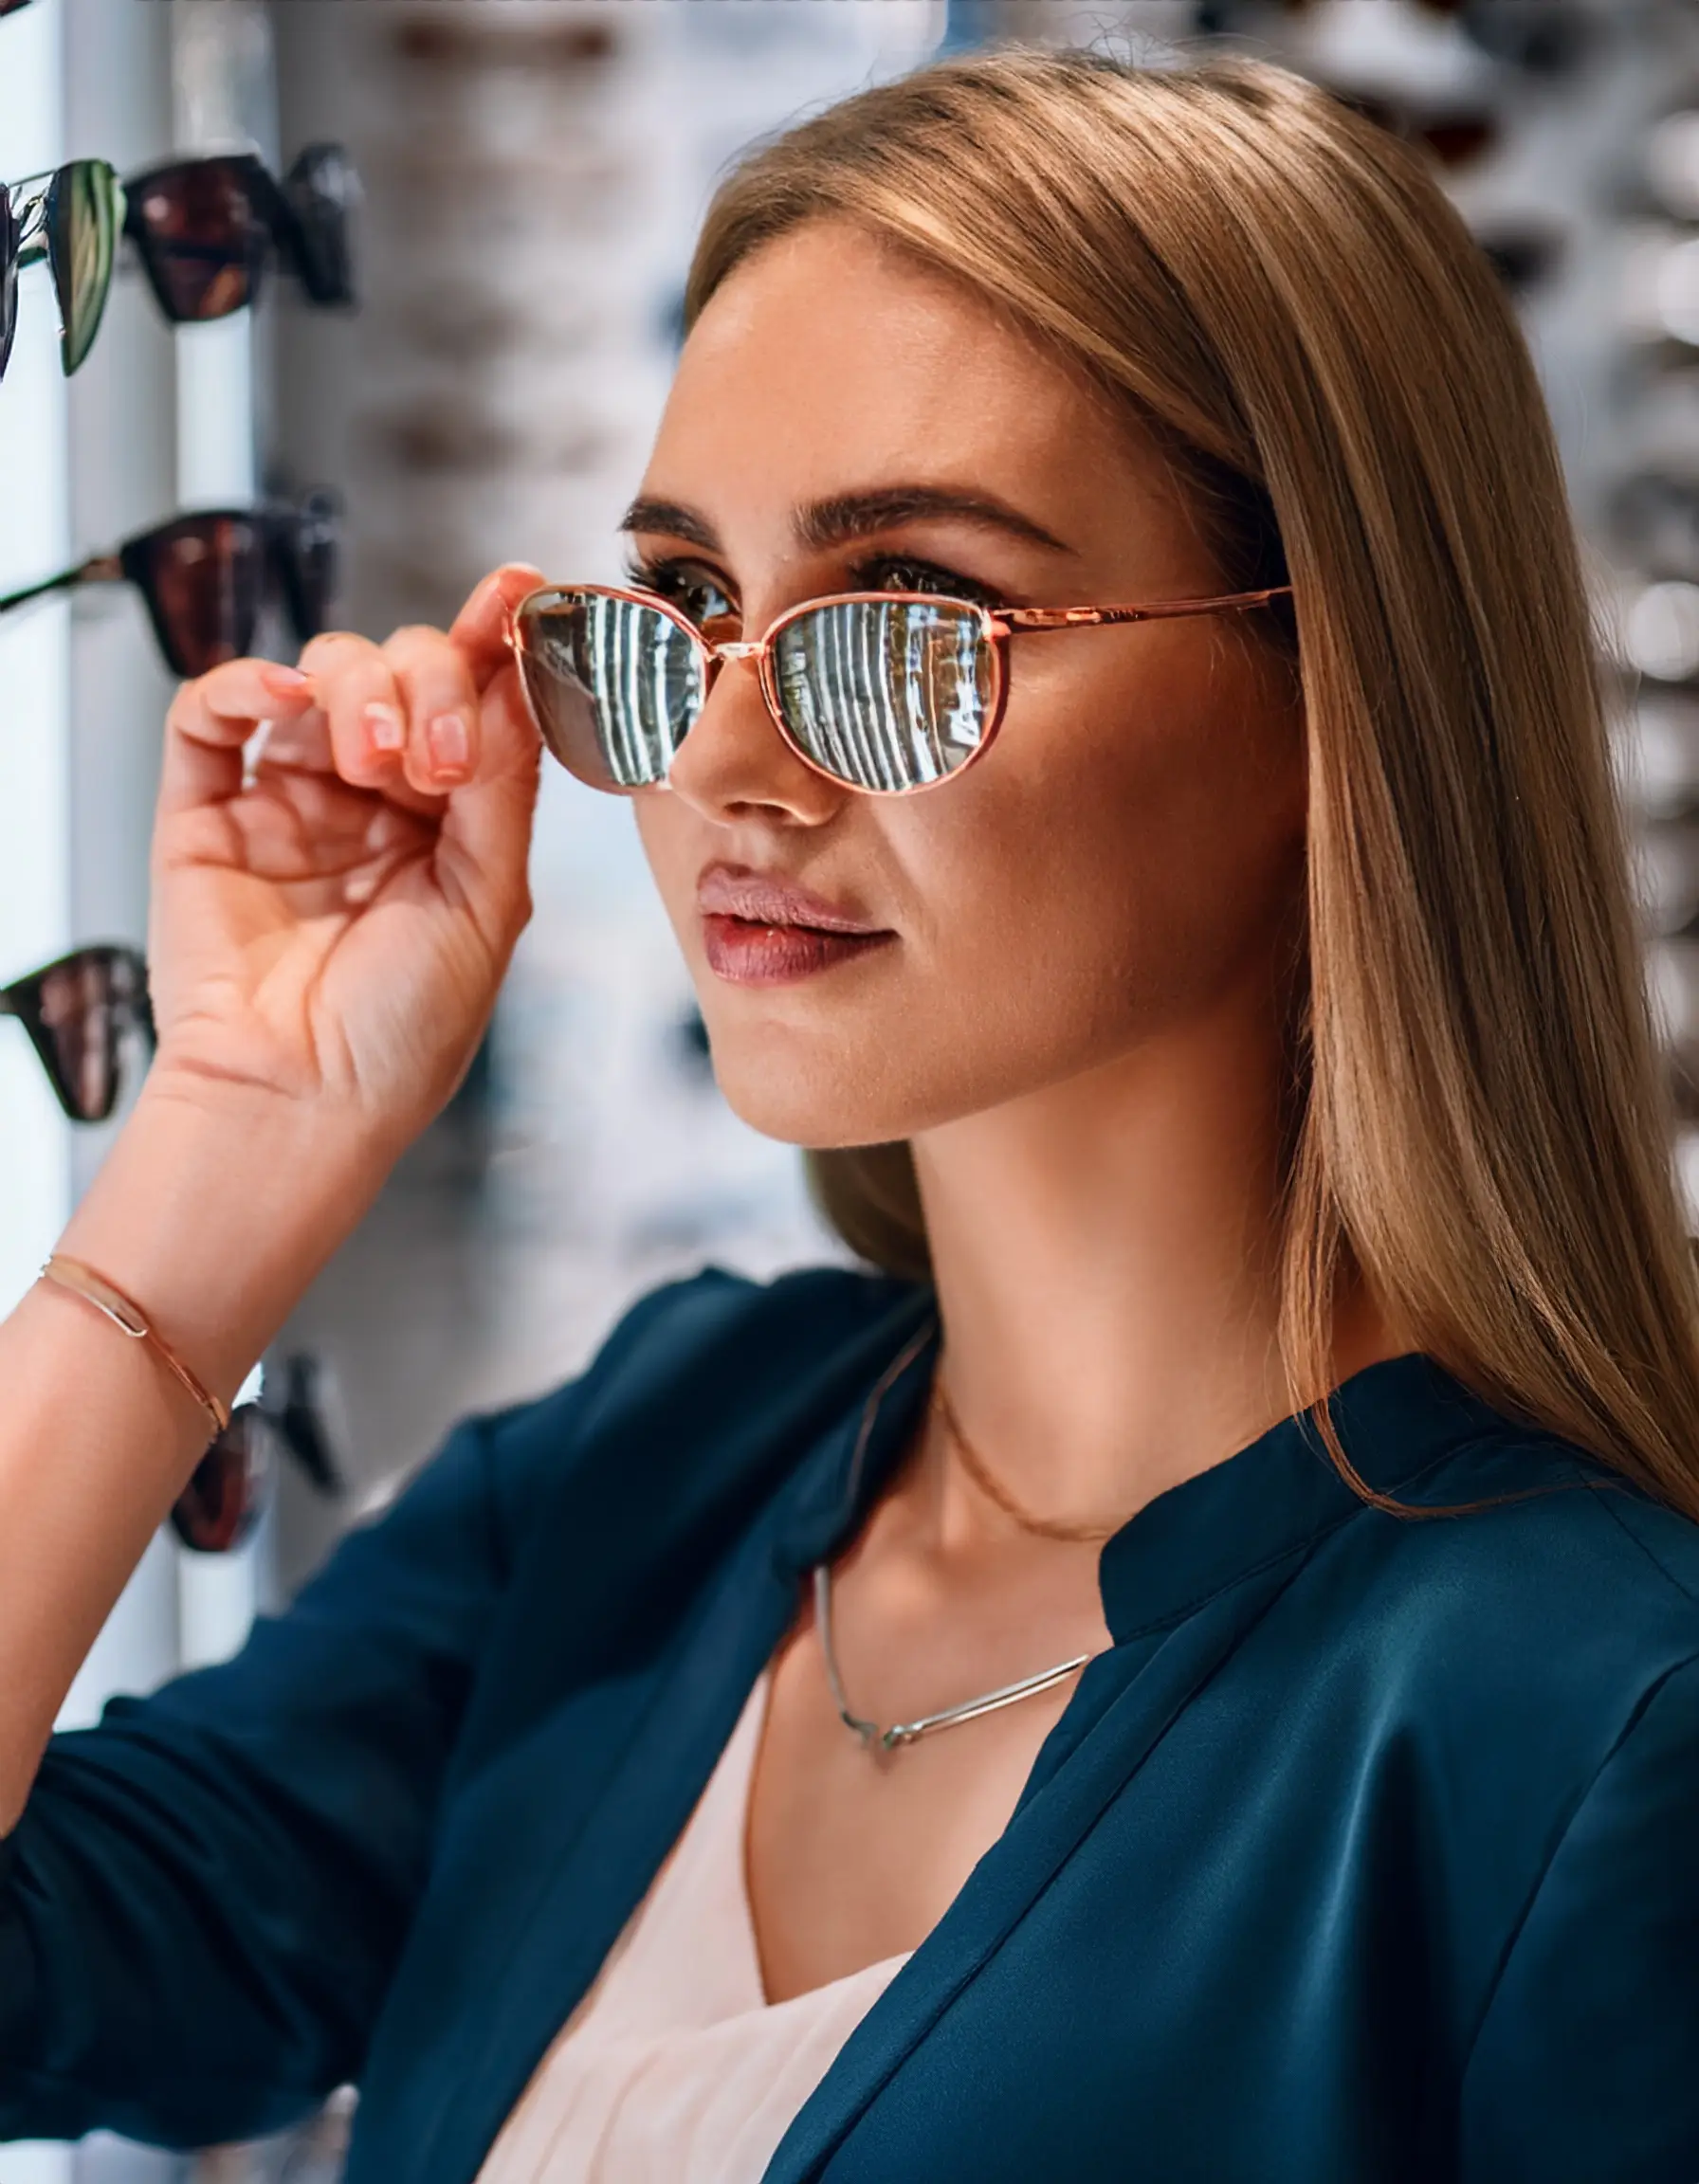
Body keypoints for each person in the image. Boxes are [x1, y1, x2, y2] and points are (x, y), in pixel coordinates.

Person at [3, 44, 1698, 2184]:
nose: (725, 761)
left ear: (1326, 694)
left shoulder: (1593, 1718)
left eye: (908, 613)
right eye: (685, 606)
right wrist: (222, 1156)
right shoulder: (654, 1473)